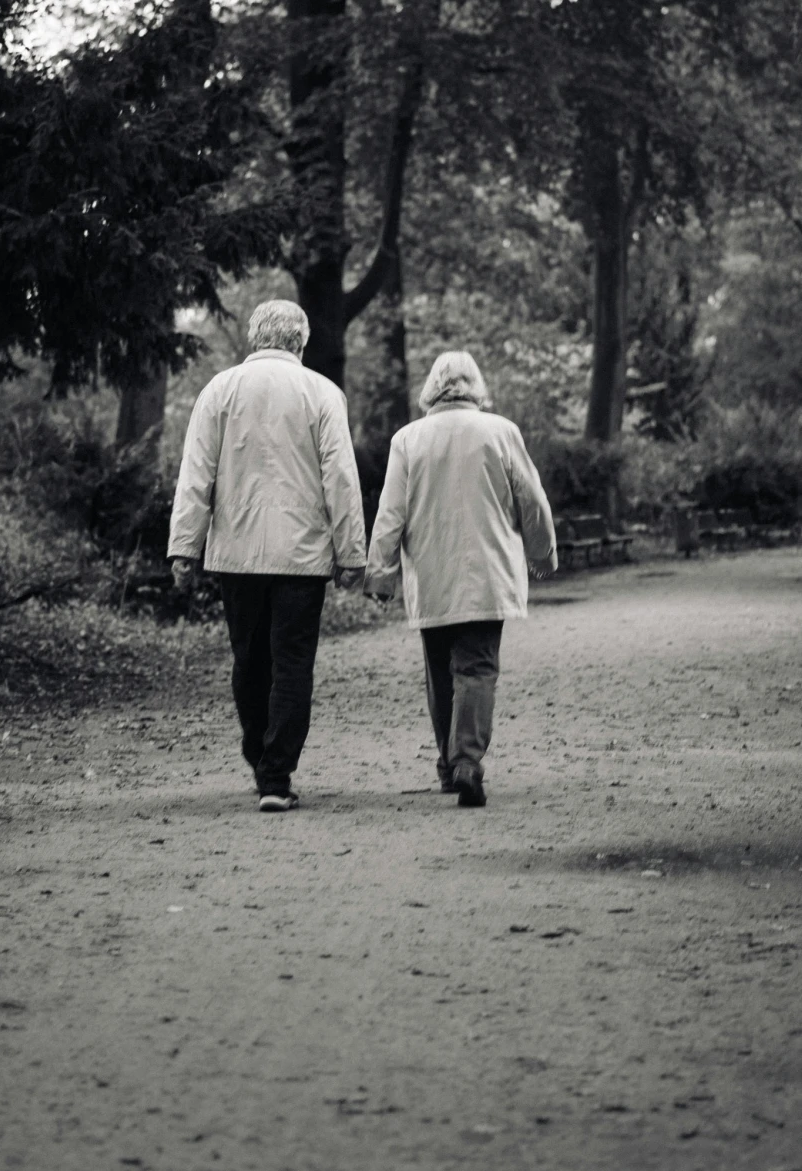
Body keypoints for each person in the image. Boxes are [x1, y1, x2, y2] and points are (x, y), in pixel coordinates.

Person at [168, 298, 367, 813]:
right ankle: (275, 774)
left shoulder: (220, 390)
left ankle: (259, 753)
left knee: (249, 660)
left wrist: (184, 548)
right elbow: (341, 478)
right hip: (301, 555)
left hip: (236, 553)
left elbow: (196, 474)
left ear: (255, 338)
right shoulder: (322, 393)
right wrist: (351, 553)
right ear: (300, 340)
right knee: (293, 662)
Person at [365, 349, 556, 808]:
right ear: (476, 386)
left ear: (432, 388)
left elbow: (390, 513)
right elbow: (532, 500)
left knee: (440, 673)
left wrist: (380, 573)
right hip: (488, 574)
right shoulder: (500, 432)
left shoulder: (408, 439)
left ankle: (450, 767)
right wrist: (542, 552)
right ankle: (466, 761)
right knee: (477, 669)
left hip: (431, 575)